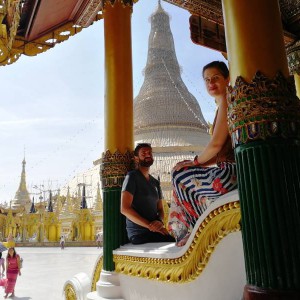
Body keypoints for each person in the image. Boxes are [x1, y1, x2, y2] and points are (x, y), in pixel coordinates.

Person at [168, 61, 238, 247]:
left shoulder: (228, 99)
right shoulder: (222, 104)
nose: (210, 83)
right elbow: (217, 152)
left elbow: (215, 145)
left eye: (216, 78)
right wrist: (195, 164)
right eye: (207, 80)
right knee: (181, 173)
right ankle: (190, 228)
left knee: (179, 175)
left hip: (230, 174)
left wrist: (195, 162)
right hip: (228, 171)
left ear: (227, 79)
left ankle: (193, 228)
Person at [121, 143, 175, 244]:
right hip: (138, 233)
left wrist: (159, 221)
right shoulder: (132, 177)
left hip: (155, 231)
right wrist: (150, 226)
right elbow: (125, 209)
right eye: (143, 153)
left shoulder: (155, 182)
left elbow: (160, 209)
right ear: (136, 158)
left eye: (150, 152)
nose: (148, 155)